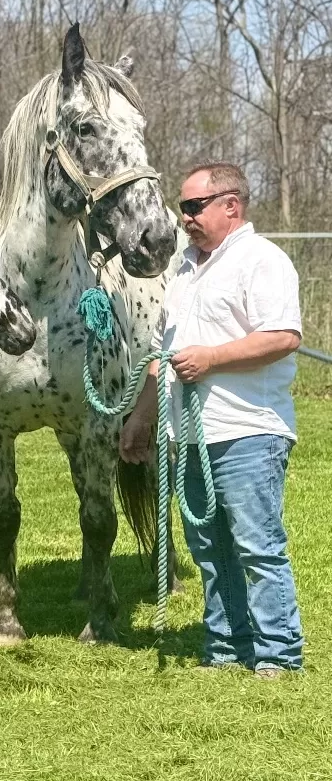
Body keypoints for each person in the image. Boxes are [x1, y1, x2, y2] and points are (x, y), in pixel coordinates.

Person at [120, 161, 304, 678]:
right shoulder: (183, 271)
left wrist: (212, 359)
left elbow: (283, 337)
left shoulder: (262, 261)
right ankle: (226, 647)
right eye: (182, 208)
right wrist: (139, 419)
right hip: (190, 436)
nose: (183, 218)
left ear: (231, 205)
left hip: (248, 430)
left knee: (257, 547)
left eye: (193, 206)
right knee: (209, 548)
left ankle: (278, 656)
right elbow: (163, 354)